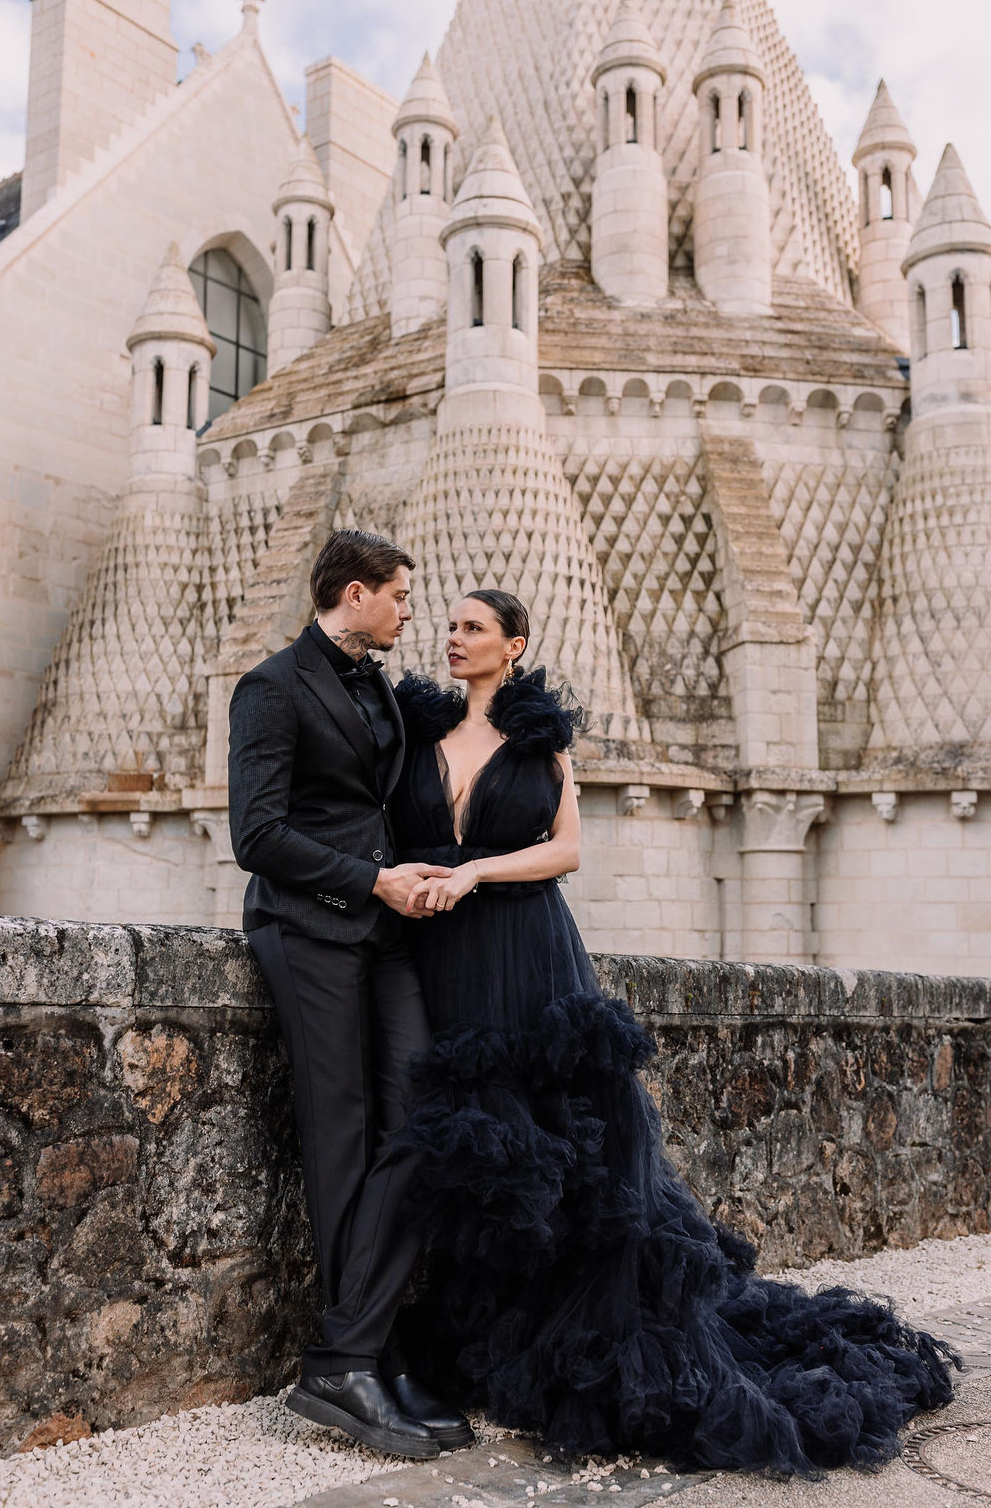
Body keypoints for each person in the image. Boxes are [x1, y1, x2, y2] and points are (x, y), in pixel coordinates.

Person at [387, 586, 958, 1476]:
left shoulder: (541, 740)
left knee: (560, 1147)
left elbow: (566, 848)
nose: (452, 640)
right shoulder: (421, 732)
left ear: (515, 645)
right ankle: (493, 1338)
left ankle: (579, 1354)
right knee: (482, 1153)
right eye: (450, 627)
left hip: (527, 944)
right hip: (444, 957)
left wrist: (473, 875)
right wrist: (417, 877)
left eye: (472, 628)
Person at [228, 529, 473, 1460]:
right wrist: (367, 880)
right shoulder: (272, 686)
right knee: (342, 1134)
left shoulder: (376, 684)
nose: (410, 611)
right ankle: (361, 1355)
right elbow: (256, 834)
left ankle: (355, 1346)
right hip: (308, 926)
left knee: (418, 1114)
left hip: (385, 928)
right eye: (402, 596)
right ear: (357, 592)